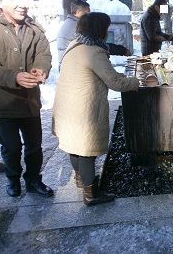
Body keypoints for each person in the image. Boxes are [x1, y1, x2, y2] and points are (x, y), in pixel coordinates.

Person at [52, 12, 140, 206]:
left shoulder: (75, 44)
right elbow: (115, 83)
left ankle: (81, 179)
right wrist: (135, 81)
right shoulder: (94, 51)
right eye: (107, 28)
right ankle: (92, 194)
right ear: (100, 30)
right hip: (83, 109)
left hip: (67, 106)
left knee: (74, 147)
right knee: (86, 151)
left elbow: (100, 71)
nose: (108, 31)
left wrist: (117, 75)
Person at [0, 0, 53, 197]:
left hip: (30, 101)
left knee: (34, 146)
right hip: (2, 105)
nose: (23, 4)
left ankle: (33, 180)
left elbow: (44, 53)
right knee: (11, 148)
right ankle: (13, 179)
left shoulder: (33, 29)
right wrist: (14, 76)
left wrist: (41, 68)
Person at [57, 0, 132, 70]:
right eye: (87, 13)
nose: (89, 16)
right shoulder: (78, 27)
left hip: (68, 67)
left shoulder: (68, 23)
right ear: (78, 12)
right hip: (73, 68)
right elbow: (96, 45)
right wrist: (122, 50)